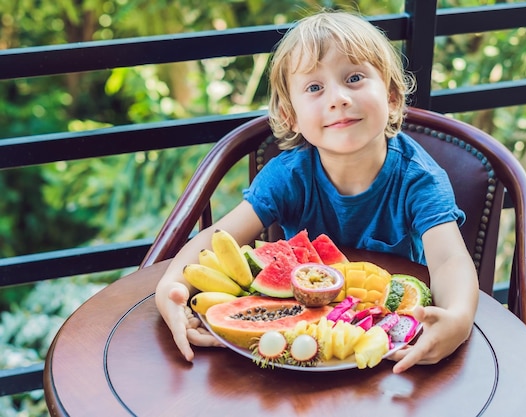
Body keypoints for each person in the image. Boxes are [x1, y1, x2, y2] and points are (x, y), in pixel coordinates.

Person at [155, 9, 478, 374]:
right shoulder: (288, 175)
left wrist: (457, 319)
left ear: (390, 95)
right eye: (314, 87)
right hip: (300, 338)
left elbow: (450, 260)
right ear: (291, 115)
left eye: (354, 78)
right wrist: (171, 286)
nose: (338, 98)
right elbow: (220, 240)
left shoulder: (419, 179)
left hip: (391, 343)